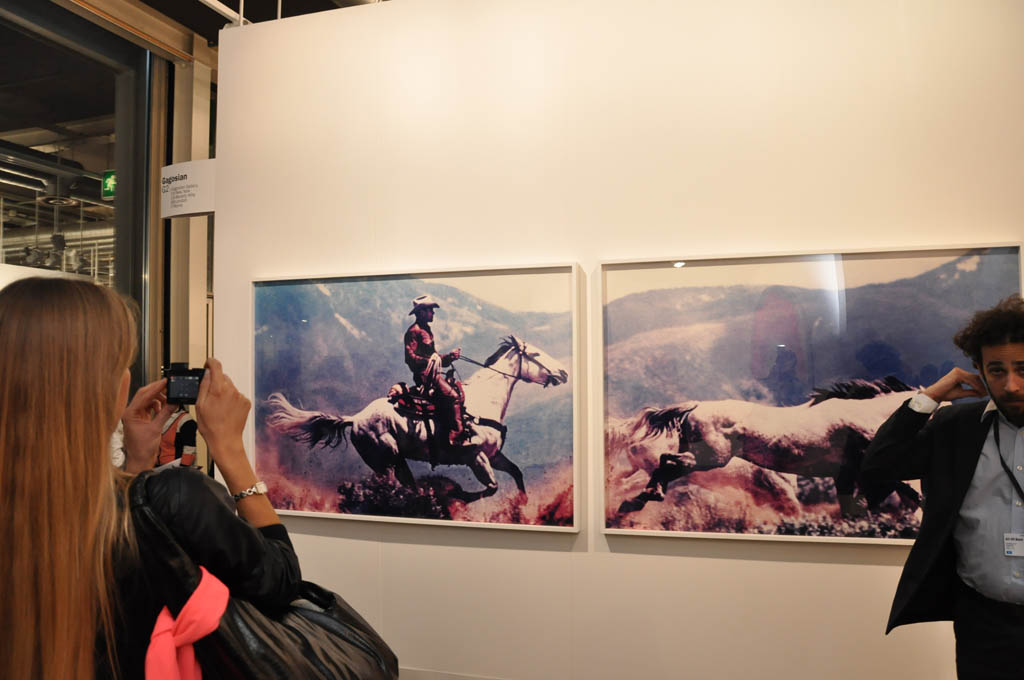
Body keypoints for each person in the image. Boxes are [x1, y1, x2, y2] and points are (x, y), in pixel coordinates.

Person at [0, 277, 301, 679]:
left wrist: (137, 463)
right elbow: (281, 581)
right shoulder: (175, 497)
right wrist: (230, 450)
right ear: (114, 389)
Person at [862, 294, 1024, 680]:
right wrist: (930, 397)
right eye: (997, 371)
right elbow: (879, 465)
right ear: (979, 371)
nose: (1012, 385)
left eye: (1023, 369)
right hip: (984, 623)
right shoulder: (957, 426)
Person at [404, 294, 464, 445]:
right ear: (421, 312)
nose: (433, 313)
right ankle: (455, 436)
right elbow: (410, 359)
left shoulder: (427, 330)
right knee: (454, 397)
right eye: (430, 310)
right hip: (425, 376)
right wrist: (430, 361)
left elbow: (436, 358)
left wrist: (450, 357)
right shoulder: (413, 332)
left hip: (433, 374)